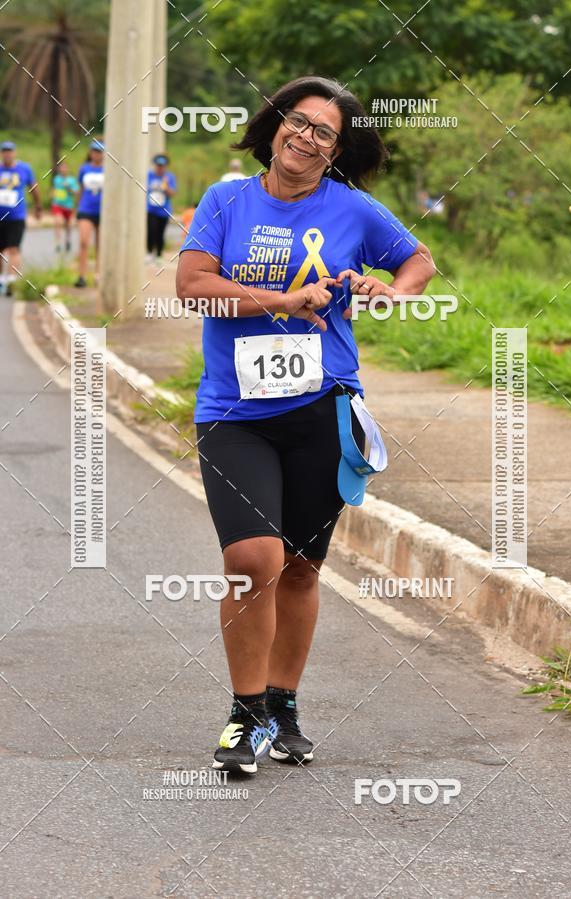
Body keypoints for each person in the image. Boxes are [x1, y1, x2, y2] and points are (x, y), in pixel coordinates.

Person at [176, 76, 435, 775]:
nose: (306, 136)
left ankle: (283, 705)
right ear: (276, 124)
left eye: (325, 132)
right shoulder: (226, 199)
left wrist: (393, 288)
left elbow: (419, 259)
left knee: (299, 566)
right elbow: (193, 286)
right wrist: (283, 300)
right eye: (299, 121)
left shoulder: (352, 209)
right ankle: (245, 712)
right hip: (234, 414)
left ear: (336, 151)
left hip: (322, 411)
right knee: (250, 559)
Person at [0, 140, 42, 296]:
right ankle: (1, 280)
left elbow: (33, 188)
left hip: (16, 216)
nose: (7, 154)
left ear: (14, 153)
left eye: (10, 151)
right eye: (4, 151)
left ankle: (11, 281)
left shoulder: (24, 169)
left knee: (13, 248)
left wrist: (38, 206)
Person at [75, 139, 104, 287]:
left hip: (103, 212)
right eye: (93, 151)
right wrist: (76, 207)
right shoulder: (84, 169)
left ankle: (98, 274)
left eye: (99, 152)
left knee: (100, 245)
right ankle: (82, 275)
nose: (96, 154)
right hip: (86, 209)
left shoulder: (108, 169)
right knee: (84, 242)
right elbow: (80, 189)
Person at [146, 153, 176, 263]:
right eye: (158, 165)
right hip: (151, 209)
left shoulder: (169, 177)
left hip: (163, 210)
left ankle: (158, 255)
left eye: (162, 166)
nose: (160, 168)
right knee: (151, 231)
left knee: (160, 233)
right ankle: (149, 253)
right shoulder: (149, 175)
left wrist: (166, 187)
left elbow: (172, 193)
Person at [51, 161, 78, 253]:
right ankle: (58, 243)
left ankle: (68, 240)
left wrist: (69, 188)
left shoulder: (71, 180)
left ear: (67, 169)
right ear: (59, 169)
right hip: (58, 204)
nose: (63, 169)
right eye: (61, 168)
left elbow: (76, 192)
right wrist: (53, 195)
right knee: (58, 222)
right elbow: (54, 189)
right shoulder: (56, 179)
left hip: (68, 206)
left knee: (69, 225)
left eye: (65, 168)